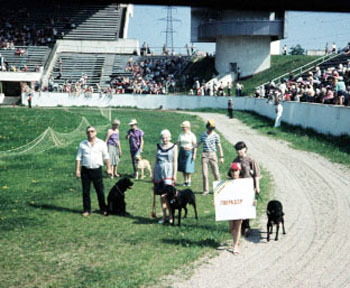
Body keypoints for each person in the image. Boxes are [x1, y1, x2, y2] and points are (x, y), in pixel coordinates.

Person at [75, 126, 111, 216]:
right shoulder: (82, 144)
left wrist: (109, 168)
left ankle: (103, 209)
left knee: (100, 191)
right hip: (85, 170)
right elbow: (78, 158)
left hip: (97, 170)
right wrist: (77, 170)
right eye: (88, 132)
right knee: (86, 191)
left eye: (92, 131)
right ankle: (87, 210)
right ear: (86, 133)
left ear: (95, 132)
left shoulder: (101, 143)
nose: (90, 133)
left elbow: (106, 156)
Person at [231, 141, 261, 237]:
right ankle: (241, 226)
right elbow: (231, 173)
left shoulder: (251, 160)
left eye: (241, 149)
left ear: (245, 149)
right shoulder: (235, 161)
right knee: (240, 205)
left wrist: (257, 186)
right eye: (237, 150)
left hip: (249, 186)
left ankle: (247, 225)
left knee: (248, 205)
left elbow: (256, 174)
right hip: (239, 186)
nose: (239, 151)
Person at [152, 129, 178, 224]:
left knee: (167, 195)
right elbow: (155, 161)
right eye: (163, 138)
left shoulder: (174, 146)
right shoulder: (158, 146)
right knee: (161, 196)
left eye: (166, 137)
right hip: (159, 172)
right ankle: (164, 216)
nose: (165, 139)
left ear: (169, 137)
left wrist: (174, 174)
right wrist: (153, 173)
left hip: (169, 172)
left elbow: (175, 161)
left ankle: (171, 216)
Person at [196, 120, 224, 195]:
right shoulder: (203, 135)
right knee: (205, 174)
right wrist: (191, 147)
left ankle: (219, 189)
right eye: (210, 128)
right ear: (207, 127)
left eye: (212, 128)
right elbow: (198, 143)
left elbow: (219, 146)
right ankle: (206, 190)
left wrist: (221, 157)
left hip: (213, 155)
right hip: (204, 155)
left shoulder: (216, 135)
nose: (211, 130)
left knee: (216, 173)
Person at [227, 162, 243, 255]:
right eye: (232, 170)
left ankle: (235, 245)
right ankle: (236, 241)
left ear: (239, 171)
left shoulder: (244, 182)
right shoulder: (226, 183)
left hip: (240, 208)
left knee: (237, 226)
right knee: (231, 228)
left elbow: (248, 195)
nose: (234, 172)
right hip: (230, 208)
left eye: (235, 170)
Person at [177, 121, 197, 187]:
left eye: (184, 127)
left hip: (189, 151)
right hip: (182, 151)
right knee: (183, 167)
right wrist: (176, 151)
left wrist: (194, 154)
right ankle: (185, 180)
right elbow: (178, 143)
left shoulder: (192, 135)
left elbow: (195, 145)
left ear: (188, 127)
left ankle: (189, 180)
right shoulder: (181, 134)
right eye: (182, 127)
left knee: (188, 167)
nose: (183, 128)